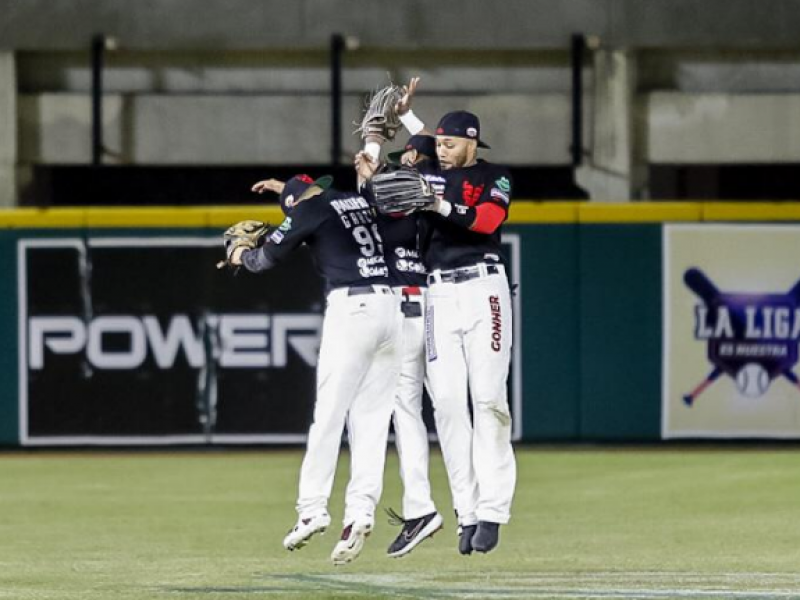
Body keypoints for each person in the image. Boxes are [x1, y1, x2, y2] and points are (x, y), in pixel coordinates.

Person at [229, 174, 403, 566]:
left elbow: (265, 258)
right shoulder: (353, 200)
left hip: (353, 307)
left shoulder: (308, 209)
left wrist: (239, 254)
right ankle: (361, 512)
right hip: (392, 310)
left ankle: (311, 509)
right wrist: (286, 191)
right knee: (372, 423)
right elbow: (311, 199)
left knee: (328, 415)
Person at [394, 80, 518, 555]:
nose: (441, 151)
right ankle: (467, 512)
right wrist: (404, 118)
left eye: (450, 144)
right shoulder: (427, 166)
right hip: (437, 295)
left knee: (488, 401)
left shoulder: (494, 175)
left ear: (471, 142)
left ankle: (492, 511)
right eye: (438, 144)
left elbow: (487, 221)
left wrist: (438, 202)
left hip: (484, 288)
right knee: (446, 404)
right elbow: (412, 147)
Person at [355, 135, 444, 558]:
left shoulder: (415, 199)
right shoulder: (420, 198)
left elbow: (370, 197)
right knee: (408, 409)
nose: (401, 165)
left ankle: (422, 507)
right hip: (417, 303)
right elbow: (368, 194)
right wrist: (372, 149)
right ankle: (423, 506)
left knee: (404, 408)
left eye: (409, 157)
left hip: (406, 305)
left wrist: (374, 148)